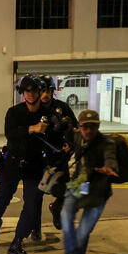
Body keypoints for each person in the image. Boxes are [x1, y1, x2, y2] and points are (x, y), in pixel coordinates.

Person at [0, 74, 52, 254]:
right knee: (1, 201)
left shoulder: (48, 115)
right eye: (27, 90)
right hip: (12, 163)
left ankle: (17, 242)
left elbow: (56, 138)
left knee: (32, 206)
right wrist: (32, 128)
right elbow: (10, 133)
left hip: (35, 165)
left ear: (40, 92)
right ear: (22, 93)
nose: (30, 94)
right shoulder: (14, 112)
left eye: (34, 90)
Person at [60, 110, 118, 254]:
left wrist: (109, 168)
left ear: (98, 126)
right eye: (85, 126)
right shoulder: (78, 137)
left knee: (83, 232)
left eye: (93, 126)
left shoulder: (106, 143)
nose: (89, 130)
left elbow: (110, 158)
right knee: (65, 215)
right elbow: (68, 134)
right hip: (80, 185)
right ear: (80, 127)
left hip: (98, 191)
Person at [35, 74, 77, 240]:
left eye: (49, 90)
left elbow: (75, 129)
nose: (45, 94)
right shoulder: (32, 109)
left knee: (66, 190)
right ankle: (35, 228)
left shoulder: (62, 107)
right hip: (38, 158)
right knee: (35, 197)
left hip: (60, 156)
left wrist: (69, 141)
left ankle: (57, 209)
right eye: (42, 90)